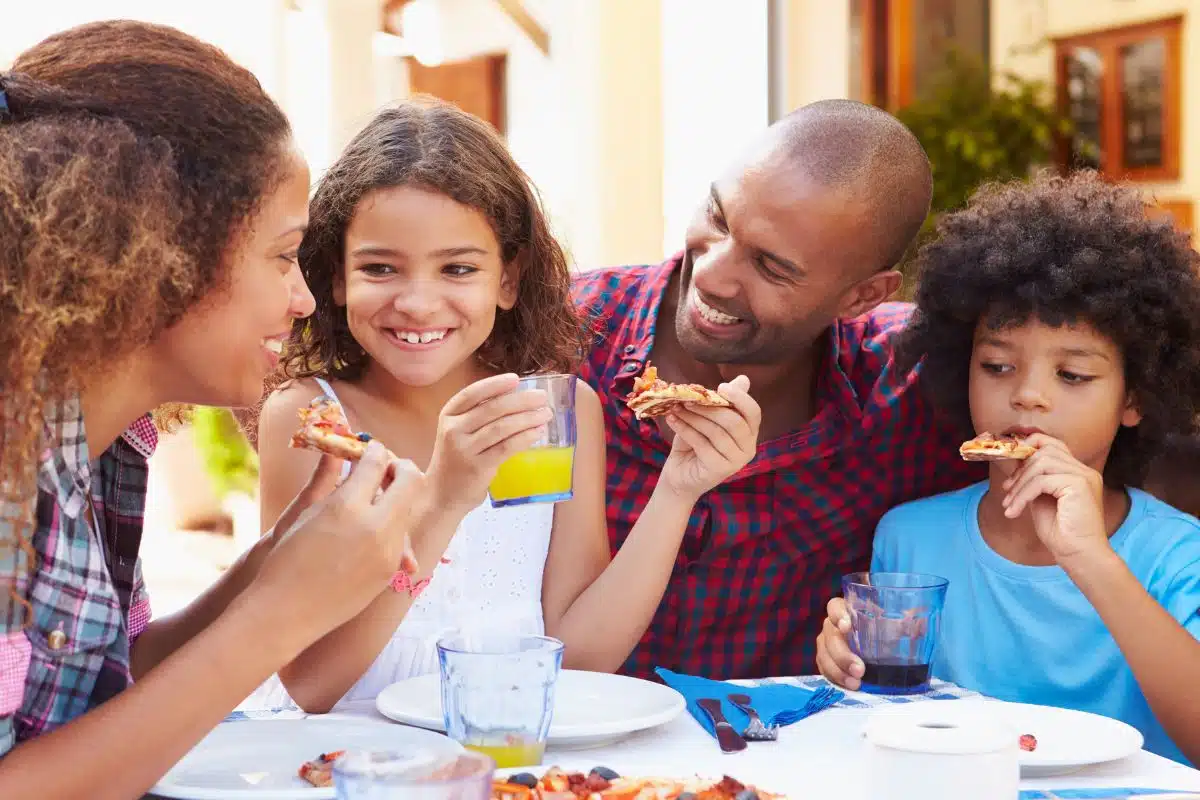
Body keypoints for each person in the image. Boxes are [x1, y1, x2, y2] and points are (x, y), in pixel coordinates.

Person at [0, 21, 424, 798]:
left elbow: (116, 692)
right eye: (280, 255)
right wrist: (283, 618)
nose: (302, 299)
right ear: (160, 255)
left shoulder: (105, 450)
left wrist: (275, 567)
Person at [253, 98, 761, 713]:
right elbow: (314, 684)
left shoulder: (555, 413)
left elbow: (578, 657)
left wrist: (678, 489)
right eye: (381, 267)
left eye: (458, 268)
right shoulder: (314, 422)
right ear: (335, 277)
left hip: (506, 757)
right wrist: (442, 501)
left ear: (508, 279)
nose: (418, 302)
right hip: (341, 762)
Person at [570, 99, 984, 680]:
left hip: (781, 762)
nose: (712, 272)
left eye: (771, 266)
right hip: (566, 759)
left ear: (861, 295)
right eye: (717, 217)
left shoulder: (911, 390)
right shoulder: (565, 335)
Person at [815, 171, 1200, 765]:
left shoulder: (1179, 555)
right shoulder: (909, 537)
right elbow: (891, 726)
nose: (1028, 396)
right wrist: (848, 671)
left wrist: (1091, 560)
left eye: (1071, 376)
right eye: (997, 366)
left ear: (1135, 398)